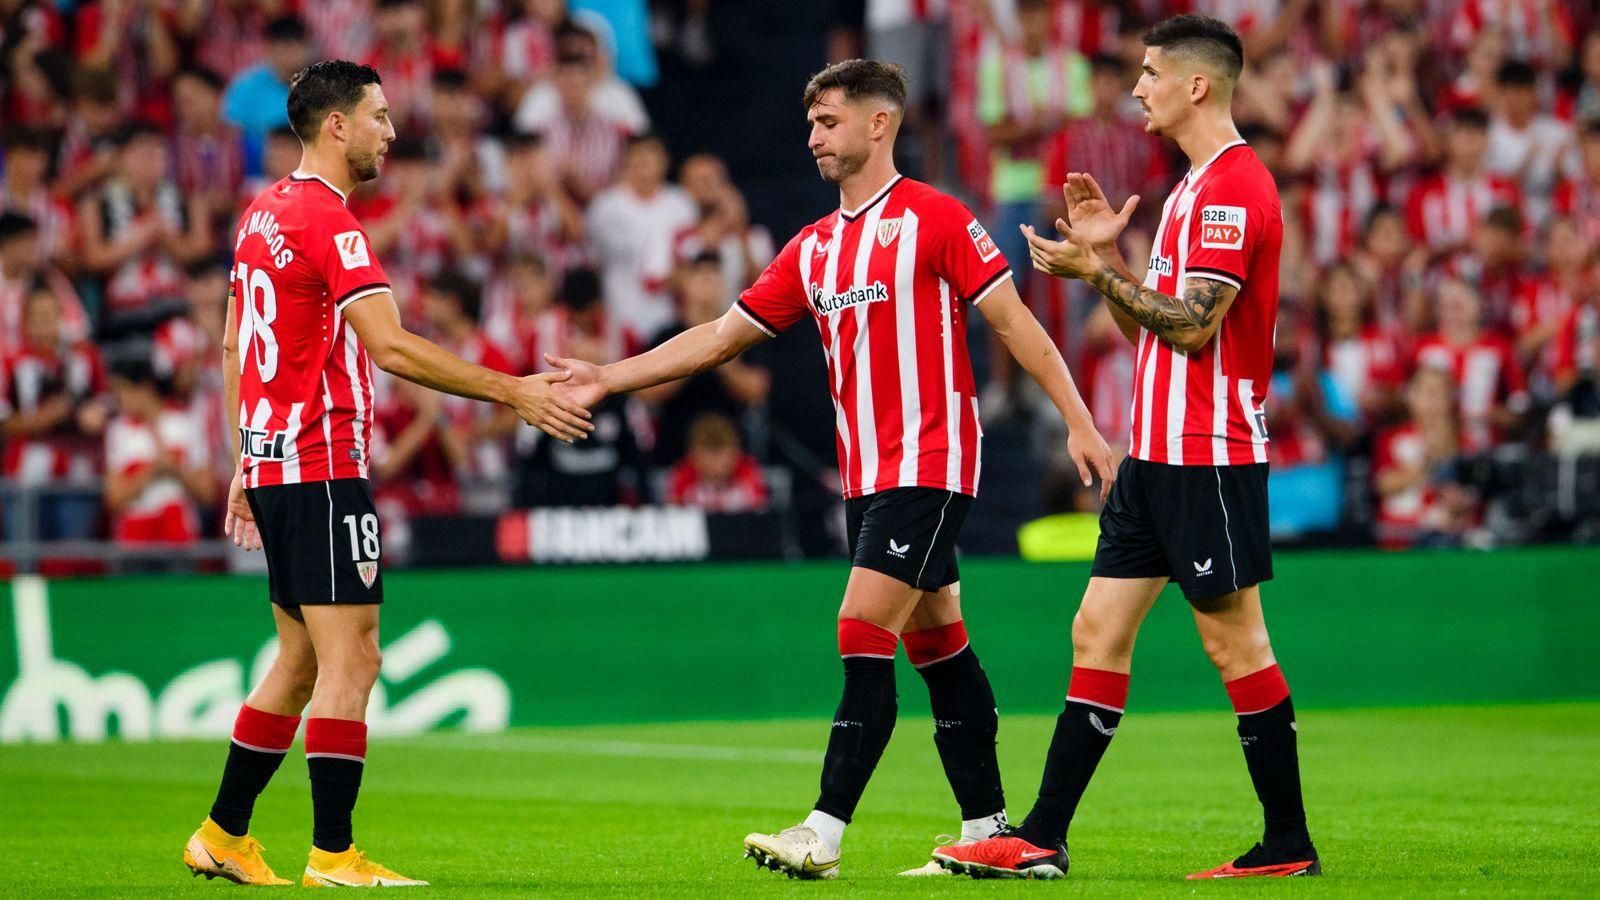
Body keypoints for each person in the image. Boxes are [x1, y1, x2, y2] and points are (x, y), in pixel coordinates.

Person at [546, 58, 1114, 881]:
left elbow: (1014, 323)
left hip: (931, 461)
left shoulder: (937, 218)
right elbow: (716, 338)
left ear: (880, 124)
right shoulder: (813, 248)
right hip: (867, 476)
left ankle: (824, 832)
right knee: (939, 646)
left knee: (860, 629)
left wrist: (1078, 418)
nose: (812, 136)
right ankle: (992, 828)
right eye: (810, 123)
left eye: (829, 121)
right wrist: (608, 376)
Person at [182, 59, 592, 888]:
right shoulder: (332, 225)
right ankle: (334, 853)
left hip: (275, 460)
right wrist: (511, 388)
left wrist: (242, 460)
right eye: (377, 115)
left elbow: (233, 347)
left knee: (299, 661)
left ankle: (224, 835)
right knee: (353, 659)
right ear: (336, 125)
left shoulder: (262, 213)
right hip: (323, 465)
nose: (390, 131)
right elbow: (392, 345)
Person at [942, 15, 1319, 879]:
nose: (1134, 87)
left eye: (1149, 73)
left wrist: (1094, 272)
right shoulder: (1188, 188)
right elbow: (1149, 329)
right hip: (1155, 452)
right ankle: (1040, 835)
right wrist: (1108, 258)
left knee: (1237, 646)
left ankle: (1288, 843)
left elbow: (1193, 328)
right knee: (1096, 629)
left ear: (1197, 85)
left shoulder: (1232, 189)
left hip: (1207, 449)